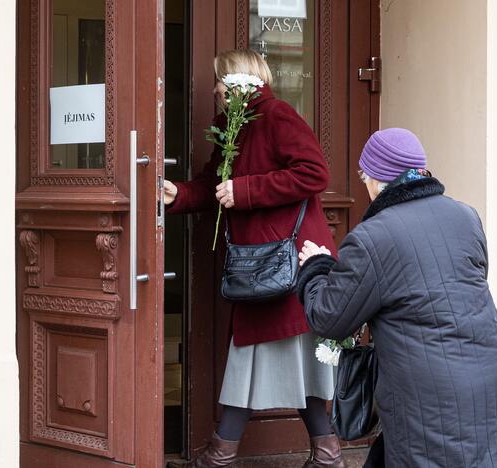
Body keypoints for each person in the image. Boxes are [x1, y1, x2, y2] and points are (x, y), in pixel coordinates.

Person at [164, 49, 344, 468]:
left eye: (221, 81)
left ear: (240, 81)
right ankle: (327, 455)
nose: (215, 89)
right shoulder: (232, 126)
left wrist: (244, 191)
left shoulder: (276, 115)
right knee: (291, 362)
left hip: (285, 263)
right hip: (261, 264)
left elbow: (315, 172)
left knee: (262, 357)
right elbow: (215, 185)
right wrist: (179, 193)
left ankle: (219, 457)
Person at [297, 128, 497, 468]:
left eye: (364, 176)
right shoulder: (466, 217)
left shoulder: (373, 237)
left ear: (377, 179)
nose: (364, 185)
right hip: (489, 374)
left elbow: (329, 317)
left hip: (429, 390)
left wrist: (316, 267)